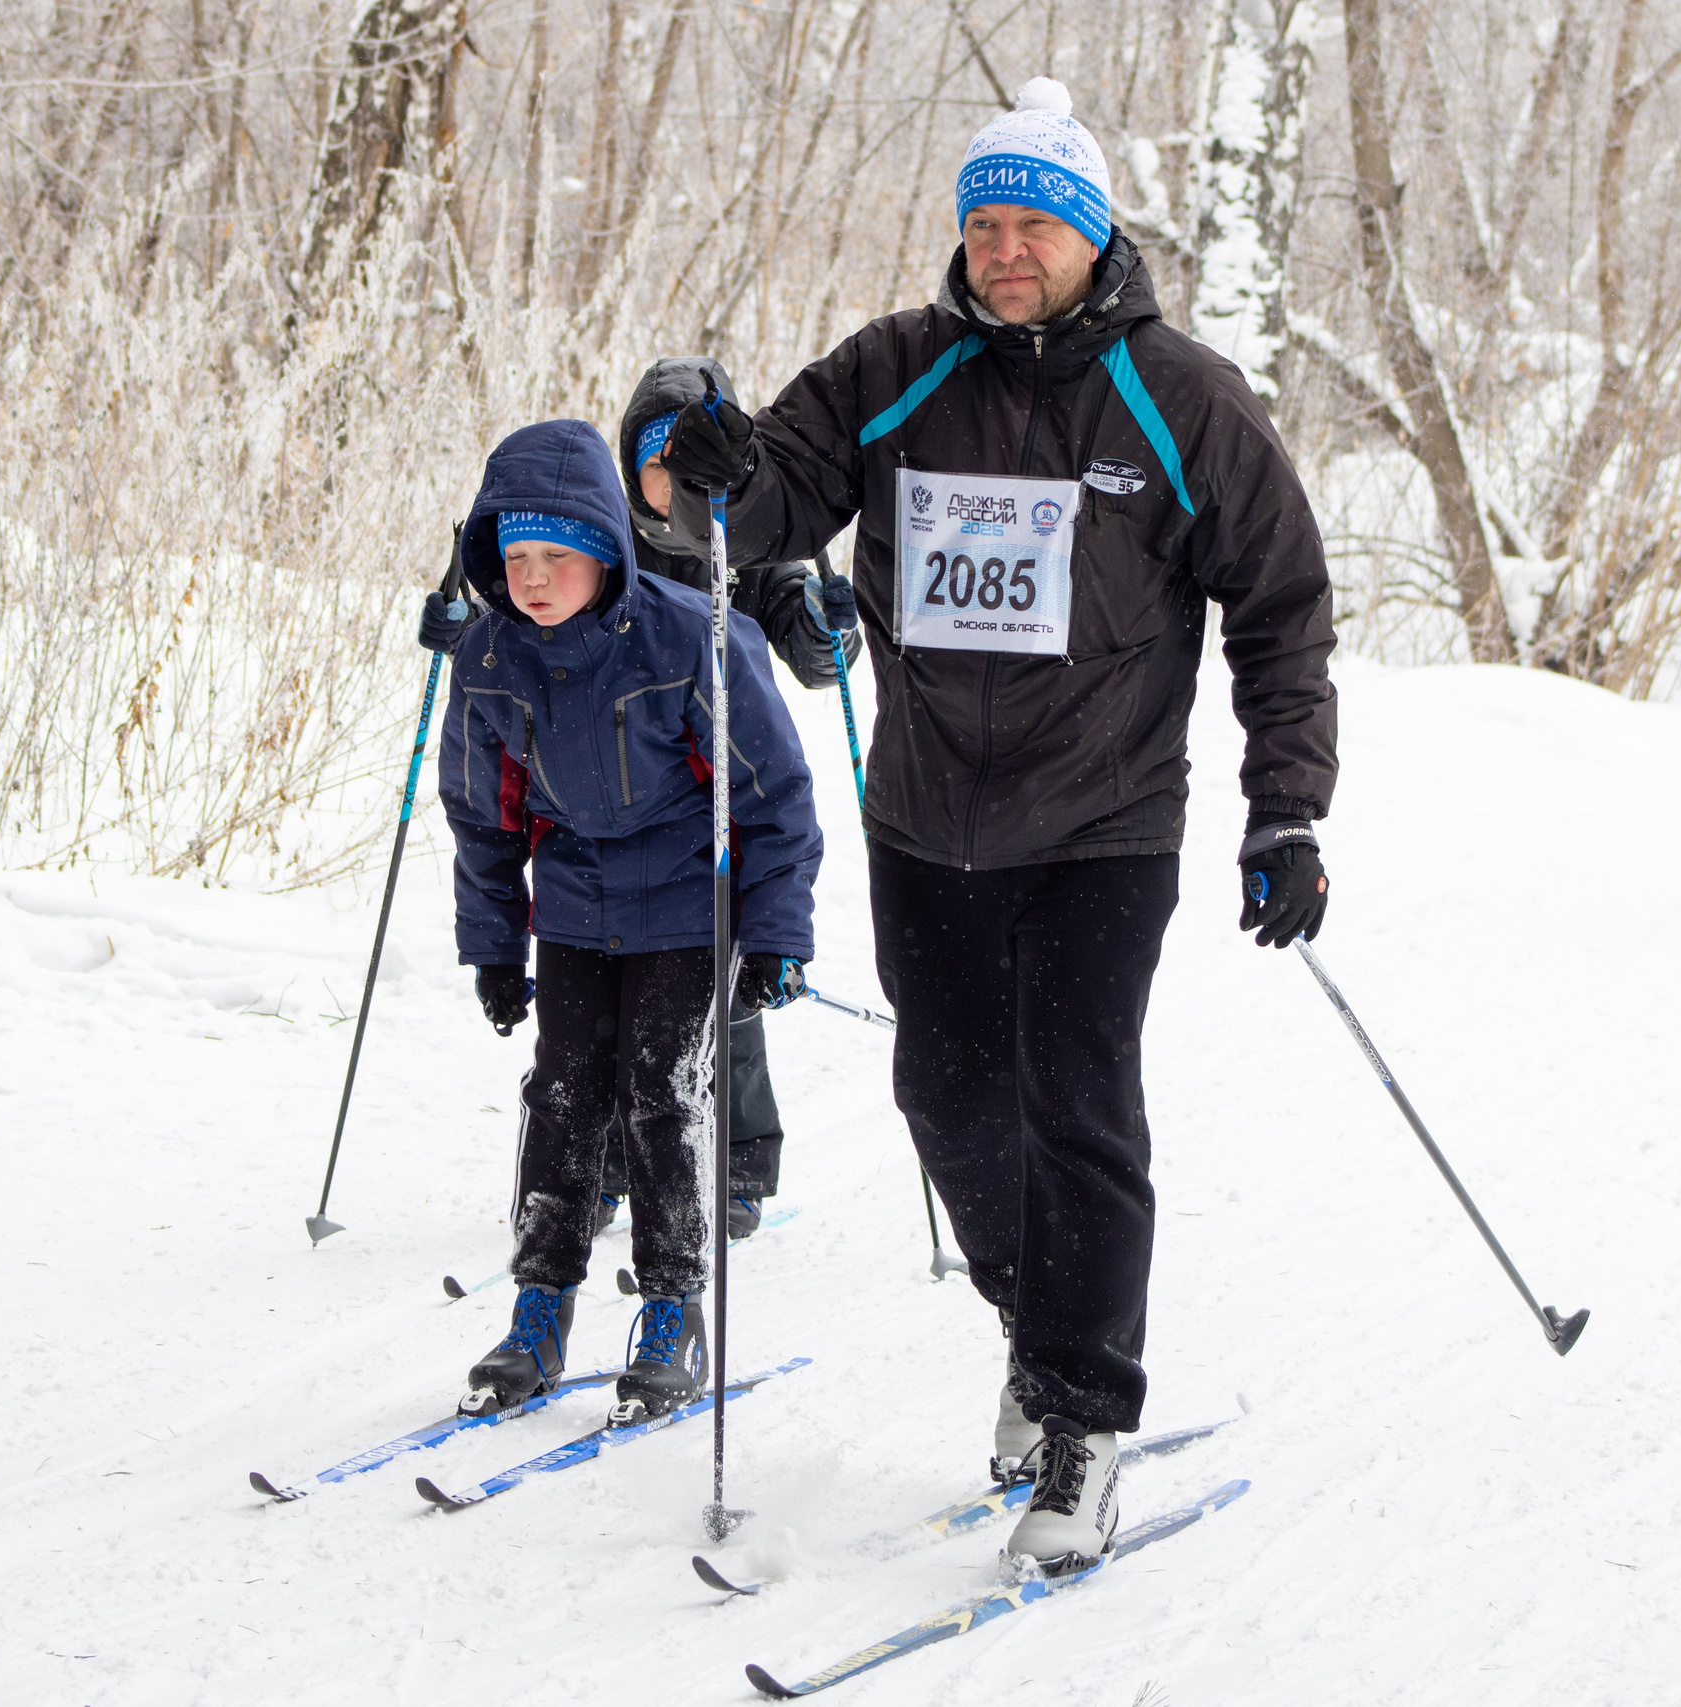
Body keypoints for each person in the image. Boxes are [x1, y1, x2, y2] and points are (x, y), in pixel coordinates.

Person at [657, 77, 1337, 1569]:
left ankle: (1086, 1418)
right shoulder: (896, 367)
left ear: (1094, 235)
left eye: (1033, 221)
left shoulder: (1184, 396)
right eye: (982, 219)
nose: (1003, 246)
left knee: (1077, 1103)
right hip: (924, 817)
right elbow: (770, 495)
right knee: (951, 1104)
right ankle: (1039, 1329)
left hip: (1102, 821)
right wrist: (705, 477)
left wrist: (1284, 809)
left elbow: (1282, 609)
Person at [436, 418, 822, 1426]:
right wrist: (491, 946)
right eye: (515, 557)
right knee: (561, 1099)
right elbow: (483, 817)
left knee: (664, 1098)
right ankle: (539, 1305)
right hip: (570, 905)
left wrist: (776, 931)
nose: (531, 578)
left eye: (555, 555)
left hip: (684, 903)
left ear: (606, 551)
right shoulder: (487, 657)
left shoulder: (695, 637)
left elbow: (773, 796)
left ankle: (670, 1307)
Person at [579, 359, 864, 1240]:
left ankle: (738, 1162)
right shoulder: (601, 545)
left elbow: (818, 665)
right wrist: (464, 630)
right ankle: (602, 1162)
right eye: (654, 466)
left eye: (689, 466)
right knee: (612, 988)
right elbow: (529, 619)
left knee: (727, 980)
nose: (670, 487)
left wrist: (832, 631)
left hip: (729, 790)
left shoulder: (755, 543)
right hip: (621, 793)